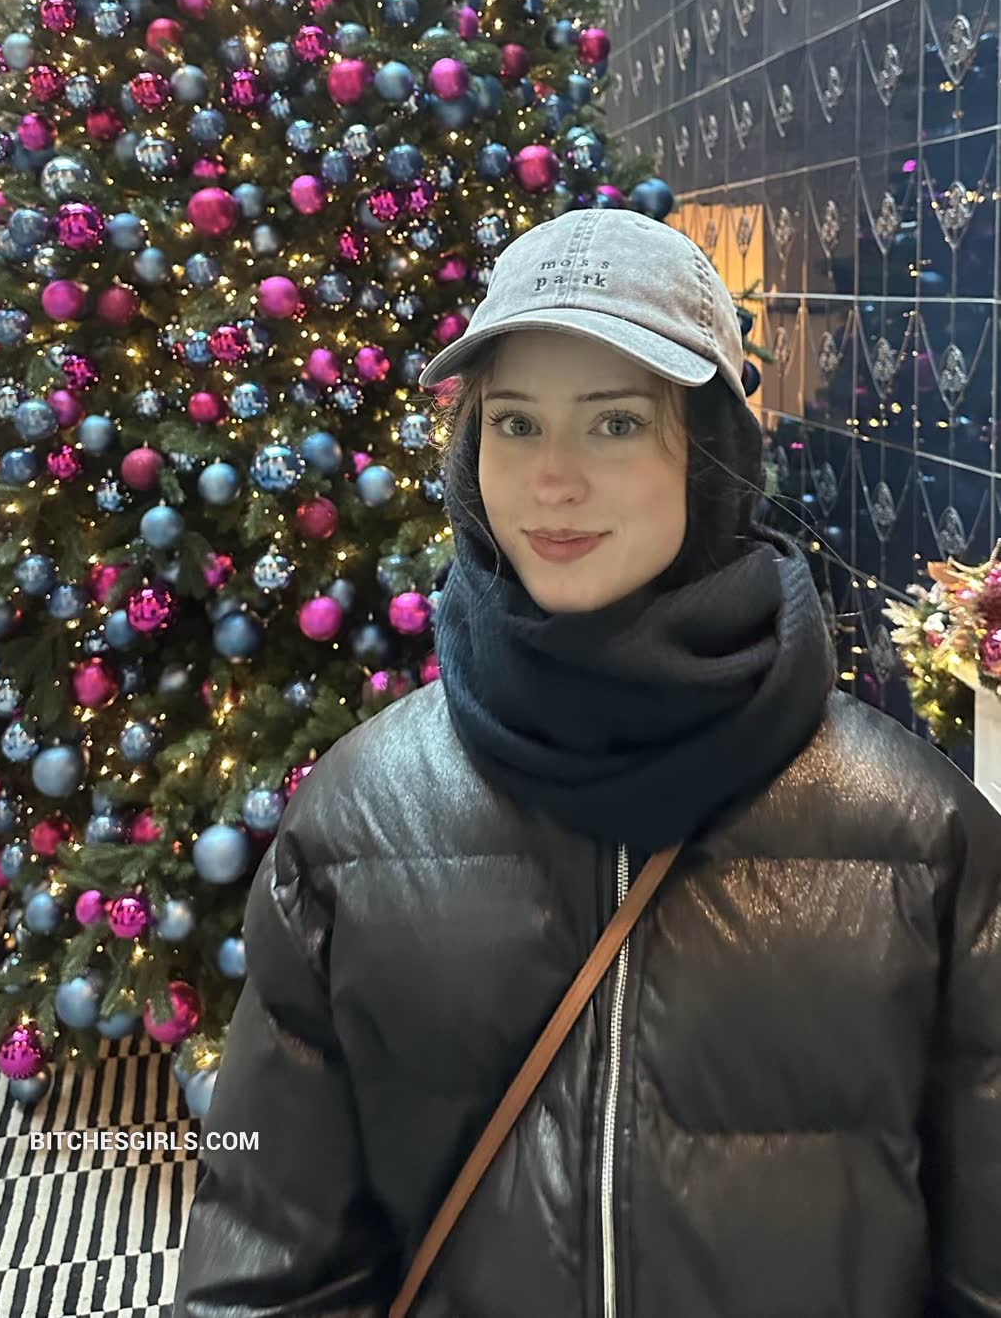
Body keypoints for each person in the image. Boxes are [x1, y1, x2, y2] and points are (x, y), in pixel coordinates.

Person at [172, 208, 1001, 1318]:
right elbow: (266, 1266)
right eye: (515, 424)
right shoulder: (359, 819)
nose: (552, 480)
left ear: (709, 454)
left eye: (614, 423)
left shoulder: (916, 833)